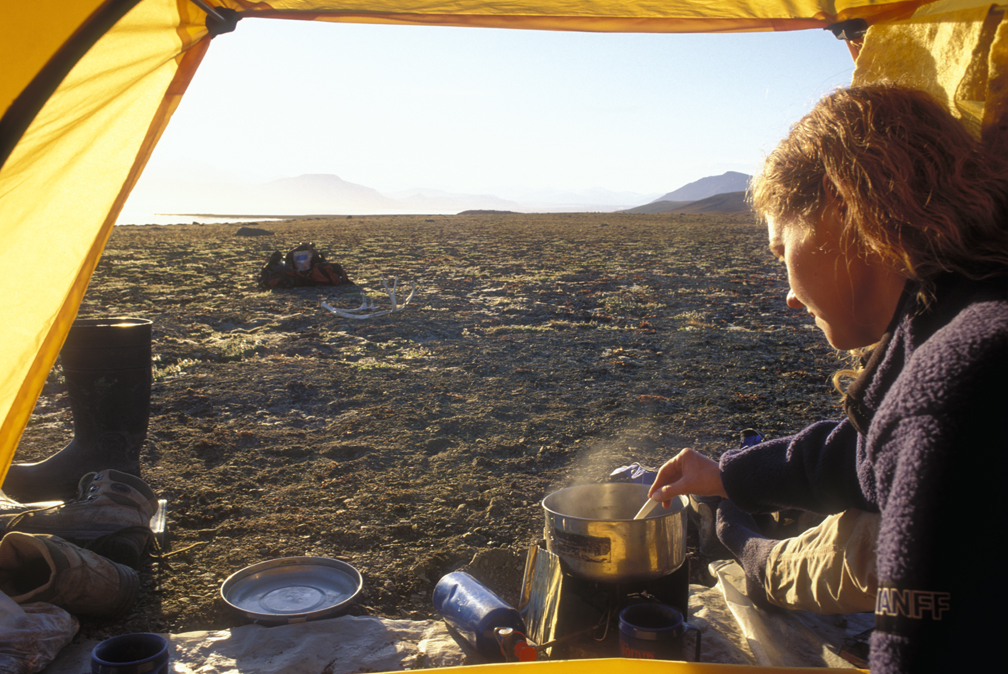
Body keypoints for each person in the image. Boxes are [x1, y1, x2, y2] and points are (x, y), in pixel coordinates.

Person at [648, 84, 1008, 673]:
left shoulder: (957, 391)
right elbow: (861, 457)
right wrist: (728, 476)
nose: (789, 296)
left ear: (844, 205)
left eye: (780, 248)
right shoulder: (957, 316)